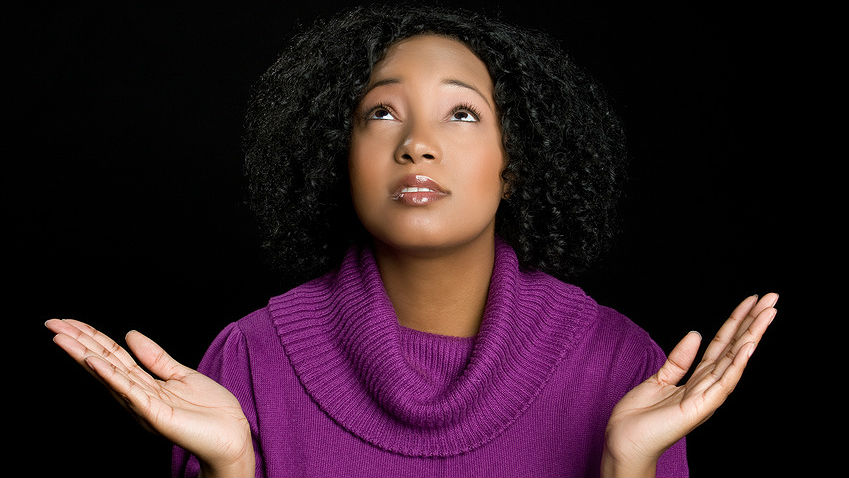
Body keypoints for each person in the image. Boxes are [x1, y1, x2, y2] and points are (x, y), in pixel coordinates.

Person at [44, 3, 778, 477]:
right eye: (381, 114)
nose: (417, 144)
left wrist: (628, 466)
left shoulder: (622, 365)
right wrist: (232, 466)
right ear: (339, 159)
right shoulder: (246, 361)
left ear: (514, 165)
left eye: (460, 114)